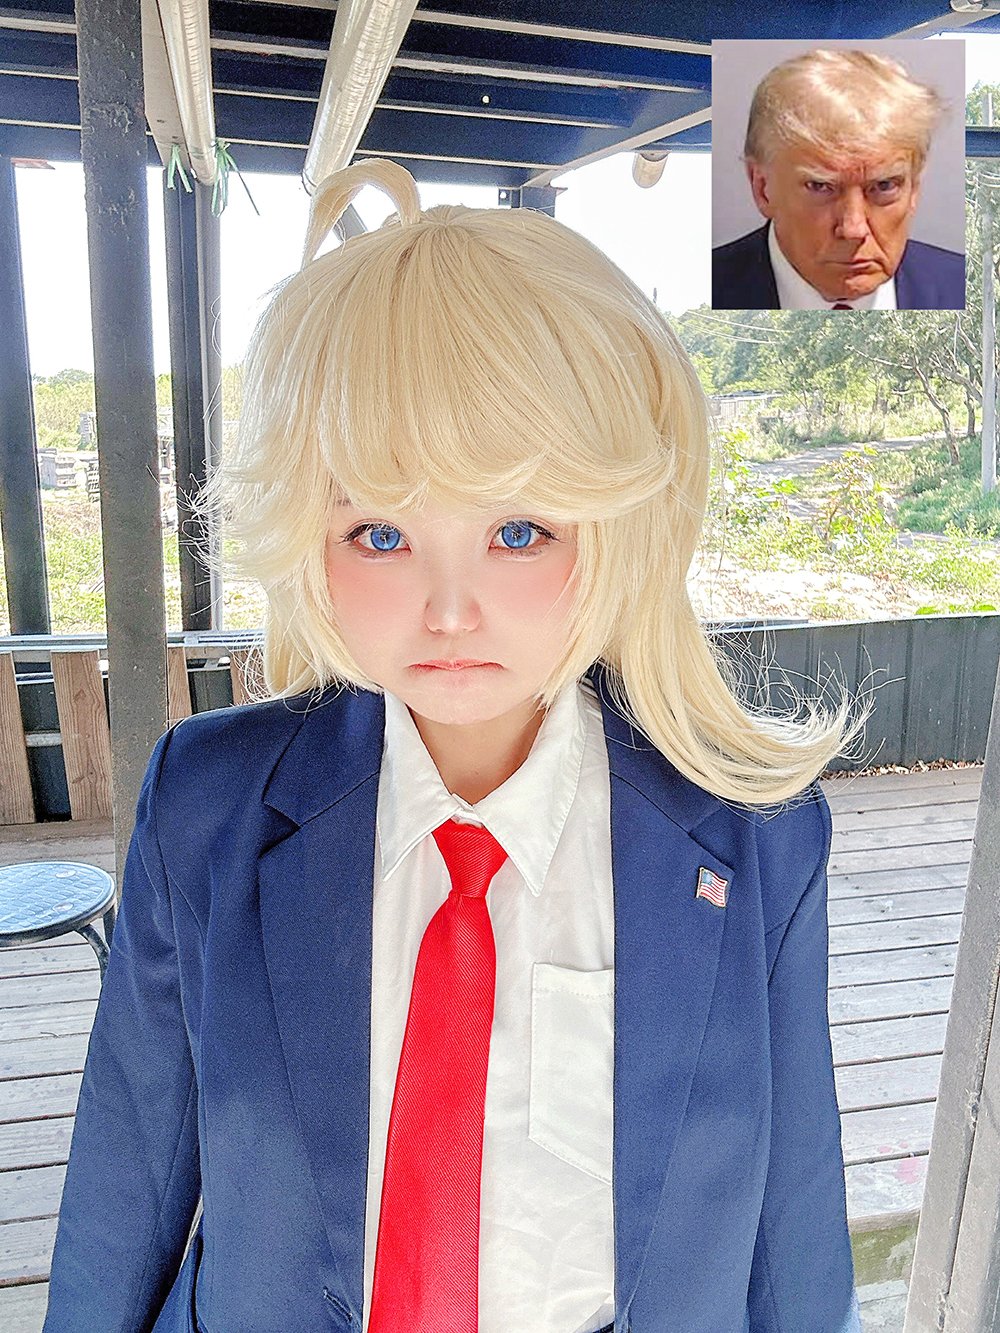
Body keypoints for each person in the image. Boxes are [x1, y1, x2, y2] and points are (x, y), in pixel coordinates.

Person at [43, 158, 873, 1333]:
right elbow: (127, 1174)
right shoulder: (211, 801)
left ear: (618, 523)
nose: (447, 608)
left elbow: (793, 1213)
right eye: (380, 533)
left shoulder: (753, 836)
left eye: (518, 530)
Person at [712, 47, 965, 310]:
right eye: (820, 186)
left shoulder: (963, 287)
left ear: (913, 189)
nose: (853, 229)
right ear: (762, 188)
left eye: (884, 186)